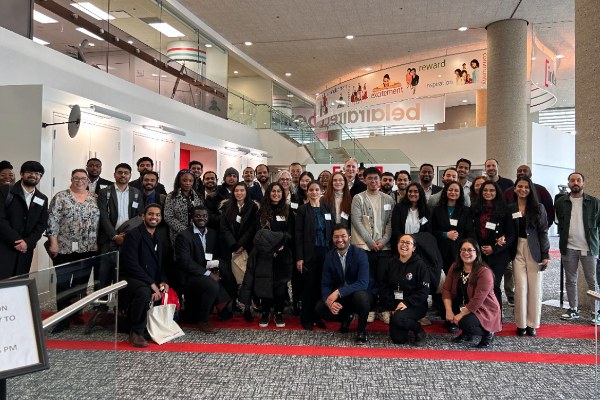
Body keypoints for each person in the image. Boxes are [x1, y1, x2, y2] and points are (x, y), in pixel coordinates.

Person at [46, 169, 99, 332]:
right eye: (76, 178)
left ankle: (75, 312)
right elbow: (52, 221)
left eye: (83, 178)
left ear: (88, 181)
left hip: (88, 247)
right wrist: (53, 243)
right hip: (64, 247)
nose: (80, 181)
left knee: (81, 284)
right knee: (63, 283)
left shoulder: (94, 198)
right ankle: (62, 318)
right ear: (71, 179)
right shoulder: (61, 197)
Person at [175, 205, 232, 332]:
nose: (201, 218)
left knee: (226, 275)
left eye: (204, 216)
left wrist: (216, 268)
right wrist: (208, 273)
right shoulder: (184, 236)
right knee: (212, 284)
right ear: (192, 218)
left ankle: (223, 307)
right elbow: (185, 262)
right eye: (198, 216)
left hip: (207, 272)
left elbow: (218, 255)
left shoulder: (213, 234)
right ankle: (204, 321)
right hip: (189, 276)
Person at [245, 182, 294, 328]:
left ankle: (278, 312)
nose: (276, 194)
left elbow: (290, 232)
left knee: (280, 285)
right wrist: (269, 249)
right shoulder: (261, 212)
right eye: (273, 191)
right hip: (265, 254)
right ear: (269, 193)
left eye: (279, 191)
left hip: (282, 253)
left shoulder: (287, 210)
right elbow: (258, 234)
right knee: (265, 284)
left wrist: (279, 246)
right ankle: (266, 312)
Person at [119, 204, 169, 347]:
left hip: (150, 278)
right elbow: (131, 265)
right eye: (150, 214)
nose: (154, 217)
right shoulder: (133, 235)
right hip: (131, 277)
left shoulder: (160, 236)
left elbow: (161, 264)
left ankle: (152, 327)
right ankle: (136, 332)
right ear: (143, 216)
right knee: (144, 291)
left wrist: (163, 281)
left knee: (165, 290)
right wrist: (152, 284)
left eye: (157, 215)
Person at [555, 172, 600, 324]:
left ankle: (596, 312)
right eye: (572, 180)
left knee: (592, 281)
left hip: (589, 248)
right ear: (568, 183)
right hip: (569, 247)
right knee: (570, 280)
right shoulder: (561, 202)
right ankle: (573, 309)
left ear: (583, 183)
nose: (575, 182)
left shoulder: (594, 202)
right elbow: (560, 223)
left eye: (578, 180)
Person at [316, 224, 372, 344]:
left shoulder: (360, 254)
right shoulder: (329, 256)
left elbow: (363, 283)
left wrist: (338, 292)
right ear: (332, 239)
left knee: (361, 297)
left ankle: (361, 330)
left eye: (343, 236)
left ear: (350, 238)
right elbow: (325, 284)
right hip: (343, 297)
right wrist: (329, 301)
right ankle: (346, 317)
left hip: (361, 294)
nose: (340, 239)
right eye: (336, 237)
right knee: (320, 307)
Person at [351, 167, 394, 323]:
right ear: (365, 180)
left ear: (380, 180)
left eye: (376, 178)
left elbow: (390, 223)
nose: (373, 181)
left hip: (385, 248)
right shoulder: (358, 198)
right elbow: (356, 222)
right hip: (365, 247)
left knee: (383, 279)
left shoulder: (389, 200)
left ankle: (382, 309)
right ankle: (368, 308)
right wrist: (370, 242)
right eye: (370, 178)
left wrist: (383, 242)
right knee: (367, 279)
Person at [442, 238, 502, 348]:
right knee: (445, 311)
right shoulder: (455, 267)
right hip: (464, 304)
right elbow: (446, 289)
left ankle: (488, 333)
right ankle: (467, 333)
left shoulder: (484, 271)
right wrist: (449, 311)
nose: (466, 253)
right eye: (463, 250)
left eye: (470, 250)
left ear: (477, 252)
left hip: (484, 308)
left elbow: (478, 300)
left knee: (465, 322)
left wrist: (460, 315)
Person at [509, 177, 549, 336]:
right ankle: (521, 324)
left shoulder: (539, 208)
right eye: (520, 186)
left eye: (526, 187)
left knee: (535, 287)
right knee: (520, 287)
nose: (523, 189)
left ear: (530, 189)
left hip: (535, 249)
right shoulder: (510, 208)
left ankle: (532, 324)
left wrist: (546, 254)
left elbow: (543, 232)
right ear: (515, 189)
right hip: (516, 249)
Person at [0, 161, 48, 280]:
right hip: (4, 247)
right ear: (21, 174)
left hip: (25, 250)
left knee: (19, 283)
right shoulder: (5, 191)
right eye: (29, 172)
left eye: (37, 173)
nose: (33, 175)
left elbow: (41, 224)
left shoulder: (42, 198)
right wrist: (17, 241)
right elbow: (0, 219)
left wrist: (28, 242)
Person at [378, 235, 430, 345]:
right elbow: (384, 286)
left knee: (399, 319)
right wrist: (391, 305)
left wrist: (407, 302)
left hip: (415, 305)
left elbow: (424, 291)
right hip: (396, 304)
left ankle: (418, 330)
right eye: (401, 242)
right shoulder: (390, 263)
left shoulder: (420, 265)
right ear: (397, 245)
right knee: (398, 339)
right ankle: (404, 322)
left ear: (414, 247)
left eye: (408, 243)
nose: (404, 245)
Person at [470, 181, 515, 309]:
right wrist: (477, 248)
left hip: (498, 255)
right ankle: (481, 315)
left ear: (497, 193)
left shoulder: (505, 210)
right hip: (479, 254)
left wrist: (494, 249)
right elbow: (471, 230)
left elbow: (511, 234)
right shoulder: (475, 209)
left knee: (493, 285)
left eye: (491, 190)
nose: (488, 193)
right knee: (479, 285)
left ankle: (496, 318)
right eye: (485, 190)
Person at [295, 180, 334, 330]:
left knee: (321, 286)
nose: (314, 192)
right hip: (308, 253)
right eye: (311, 190)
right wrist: (299, 257)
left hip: (325, 252)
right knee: (308, 287)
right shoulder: (303, 210)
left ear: (322, 191)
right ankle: (306, 318)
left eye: (316, 189)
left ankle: (318, 316)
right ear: (307, 192)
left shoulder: (327, 209)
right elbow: (298, 235)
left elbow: (331, 231)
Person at [220, 182, 258, 293]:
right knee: (231, 275)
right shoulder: (226, 206)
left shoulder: (253, 207)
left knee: (246, 275)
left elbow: (252, 228)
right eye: (236, 191)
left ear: (246, 192)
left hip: (246, 246)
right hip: (229, 246)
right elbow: (224, 227)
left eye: (242, 190)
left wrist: (241, 244)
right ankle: (232, 302)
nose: (239, 193)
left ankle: (246, 304)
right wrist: (233, 244)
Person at [97, 163, 144, 254]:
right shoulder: (104, 192)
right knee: (105, 267)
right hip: (108, 238)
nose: (123, 175)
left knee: (126, 266)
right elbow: (103, 216)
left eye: (126, 173)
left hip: (129, 237)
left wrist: (128, 234)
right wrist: (115, 236)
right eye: (120, 172)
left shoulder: (136, 193)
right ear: (114, 175)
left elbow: (139, 215)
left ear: (130, 175)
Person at [431, 181, 474, 274]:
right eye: (450, 189)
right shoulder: (437, 210)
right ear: (446, 191)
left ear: (460, 193)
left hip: (460, 250)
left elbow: (469, 231)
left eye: (456, 190)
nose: (453, 192)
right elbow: (431, 230)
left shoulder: (466, 210)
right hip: (441, 250)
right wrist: (445, 234)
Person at [164, 169, 204, 245]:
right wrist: (185, 231)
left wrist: (196, 229)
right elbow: (168, 217)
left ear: (193, 182)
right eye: (184, 180)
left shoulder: (199, 197)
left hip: (196, 233)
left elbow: (202, 215)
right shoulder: (171, 196)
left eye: (190, 180)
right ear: (179, 181)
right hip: (178, 234)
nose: (187, 183)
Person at [391, 182, 431, 251]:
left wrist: (413, 242)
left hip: (418, 246)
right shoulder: (399, 208)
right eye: (410, 191)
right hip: (401, 245)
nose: (412, 194)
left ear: (420, 193)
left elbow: (427, 230)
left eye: (416, 192)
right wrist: (405, 241)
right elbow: (395, 228)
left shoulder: (426, 210)